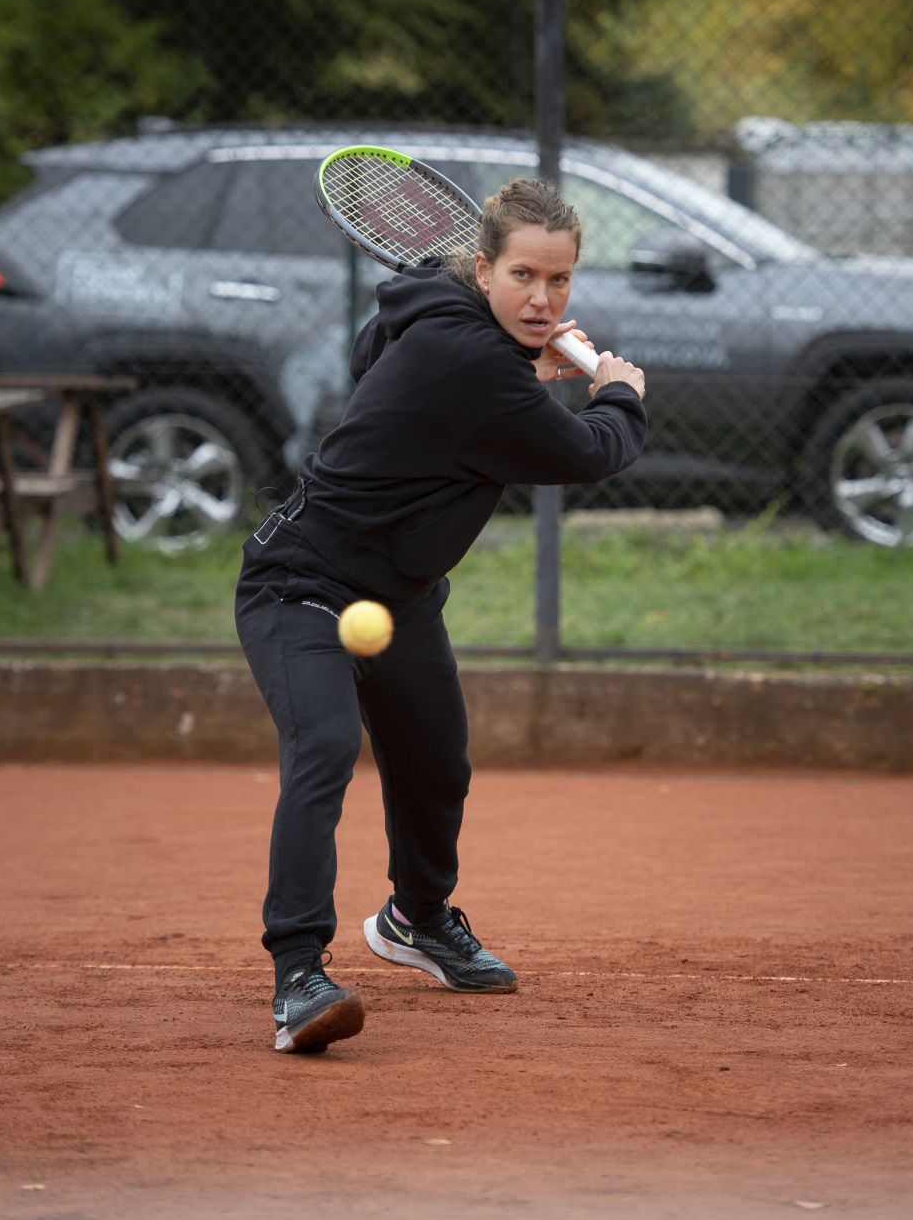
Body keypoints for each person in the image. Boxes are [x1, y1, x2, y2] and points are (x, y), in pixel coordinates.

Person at [235, 177, 647, 1054]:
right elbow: (590, 453)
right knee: (326, 750)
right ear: (484, 270)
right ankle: (298, 976)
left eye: (560, 281)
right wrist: (618, 392)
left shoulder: (440, 312)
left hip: (401, 596)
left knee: (436, 763)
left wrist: (520, 365)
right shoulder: (475, 365)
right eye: (523, 277)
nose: (542, 300)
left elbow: (370, 352)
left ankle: (417, 919)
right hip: (301, 581)